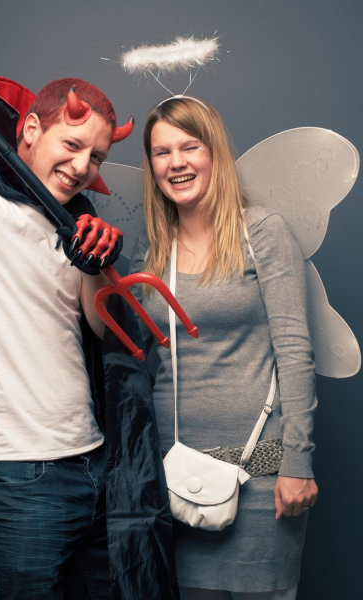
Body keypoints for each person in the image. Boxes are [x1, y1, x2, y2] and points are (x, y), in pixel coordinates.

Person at [130, 96, 319, 600]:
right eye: (162, 152)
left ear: (214, 152)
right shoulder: (153, 249)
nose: (176, 162)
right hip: (177, 478)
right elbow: (128, 352)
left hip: (261, 475)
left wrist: (298, 462)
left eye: (190, 147)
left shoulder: (261, 232)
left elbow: (294, 350)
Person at [0, 76, 131, 599]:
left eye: (96, 157)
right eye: (73, 144)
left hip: (91, 462)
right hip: (10, 472)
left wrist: (97, 266)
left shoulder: (77, 222)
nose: (82, 167)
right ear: (31, 129)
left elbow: (102, 330)